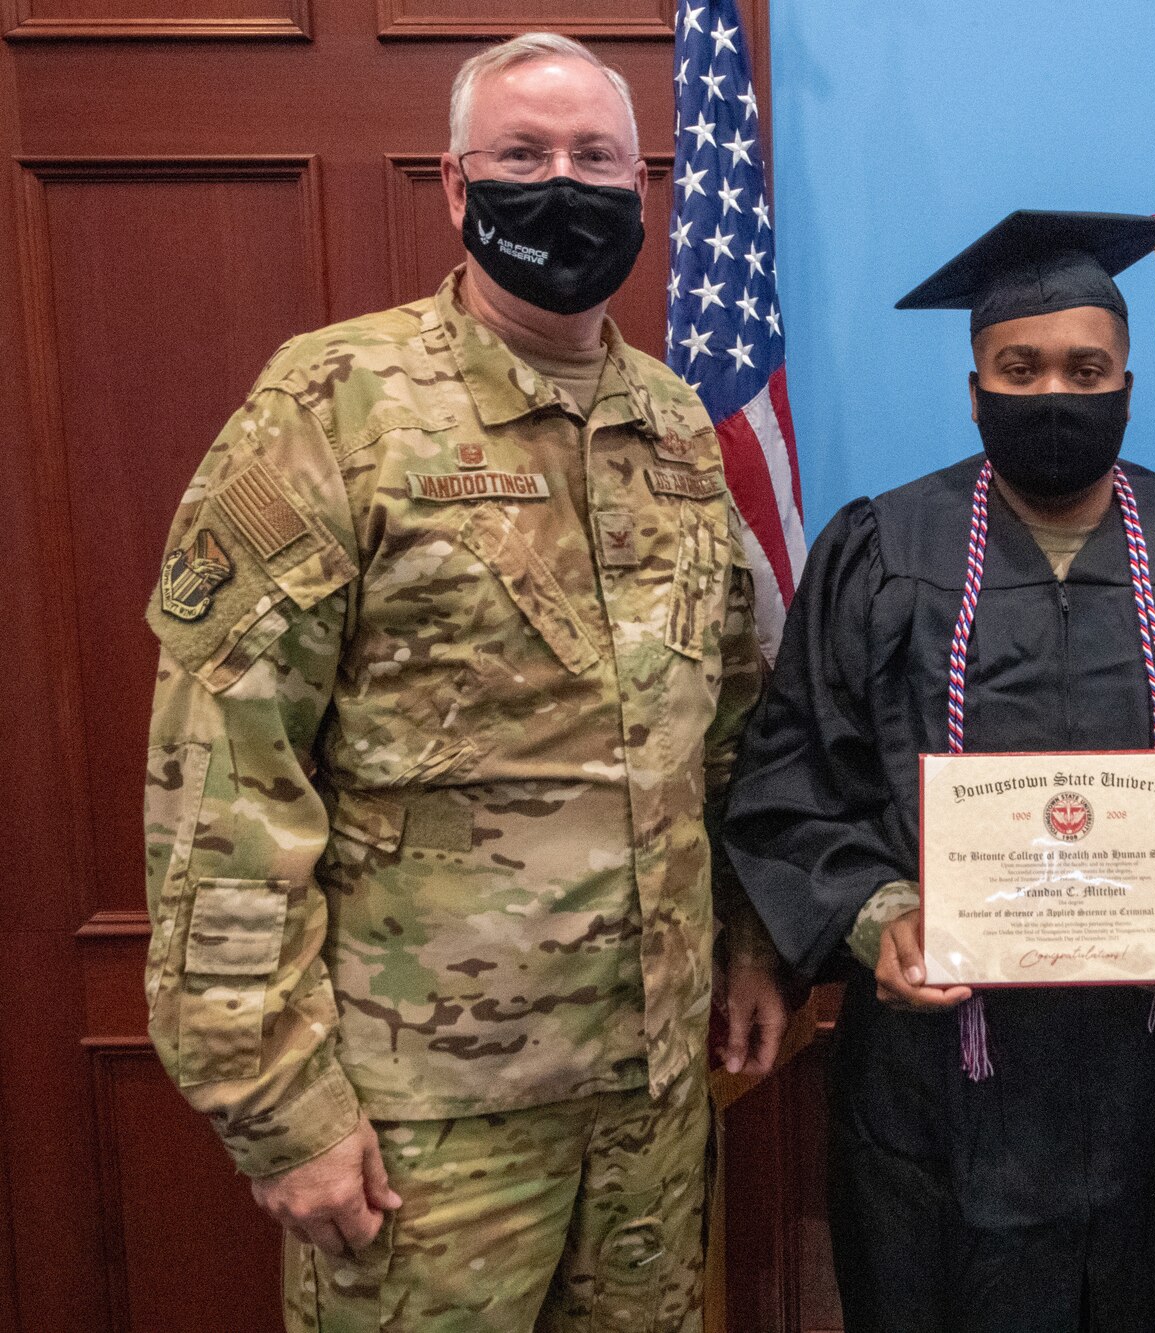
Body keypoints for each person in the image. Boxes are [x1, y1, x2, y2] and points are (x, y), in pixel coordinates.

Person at [141, 32, 786, 1332]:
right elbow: (225, 777)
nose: (564, 182)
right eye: (523, 155)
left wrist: (758, 939)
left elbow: (727, 729)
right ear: (454, 185)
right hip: (423, 1117)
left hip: (650, 1102)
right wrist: (279, 1104)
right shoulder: (336, 405)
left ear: (644, 188)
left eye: (596, 157)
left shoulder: (674, 428)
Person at [723, 210, 1155, 1333]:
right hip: (945, 1080)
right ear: (973, 387)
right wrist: (883, 918)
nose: (1052, 392)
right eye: (1017, 369)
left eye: (1084, 368)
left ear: (1126, 381)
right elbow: (794, 776)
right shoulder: (879, 554)